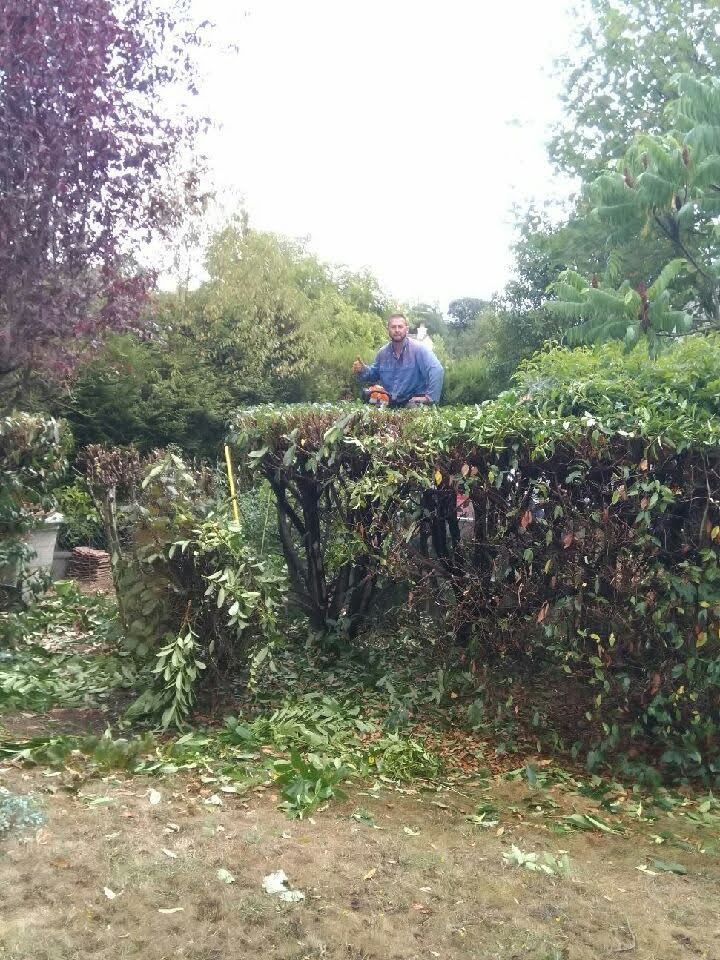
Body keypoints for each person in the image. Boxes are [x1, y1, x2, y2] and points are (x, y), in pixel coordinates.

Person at [352, 313, 444, 407]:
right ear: (387, 329)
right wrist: (362, 370)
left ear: (406, 329)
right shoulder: (382, 353)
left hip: (413, 402)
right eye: (393, 327)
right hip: (390, 402)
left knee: (412, 407)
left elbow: (437, 370)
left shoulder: (418, 349)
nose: (397, 330)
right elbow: (373, 374)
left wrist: (429, 398)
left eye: (400, 327)